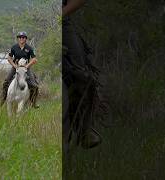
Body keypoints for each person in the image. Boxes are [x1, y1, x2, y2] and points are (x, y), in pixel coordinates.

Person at [62, 0, 107, 149]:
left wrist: (59, 15)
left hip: (61, 22)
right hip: (32, 21)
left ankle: (85, 130)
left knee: (82, 74)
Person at [0, 31, 39, 108]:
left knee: (35, 85)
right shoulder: (14, 47)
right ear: (18, 39)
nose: (21, 39)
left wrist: (27, 66)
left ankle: (33, 102)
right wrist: (14, 65)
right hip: (16, 68)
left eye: (23, 37)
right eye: (20, 37)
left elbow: (34, 59)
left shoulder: (29, 48)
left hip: (25, 69)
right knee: (6, 82)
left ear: (25, 39)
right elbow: (9, 58)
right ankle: (2, 100)